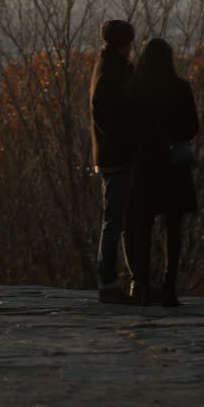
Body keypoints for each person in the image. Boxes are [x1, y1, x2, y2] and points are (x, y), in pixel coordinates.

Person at [125, 38, 200, 307]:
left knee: (143, 225)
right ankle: (170, 285)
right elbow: (192, 127)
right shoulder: (180, 88)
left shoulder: (135, 90)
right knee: (174, 227)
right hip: (174, 165)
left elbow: (128, 128)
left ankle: (142, 285)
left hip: (146, 164)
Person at [90, 19, 139, 304]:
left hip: (111, 155)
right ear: (126, 43)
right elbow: (117, 118)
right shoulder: (114, 73)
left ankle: (120, 282)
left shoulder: (105, 67)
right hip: (118, 156)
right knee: (115, 222)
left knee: (119, 221)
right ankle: (108, 282)